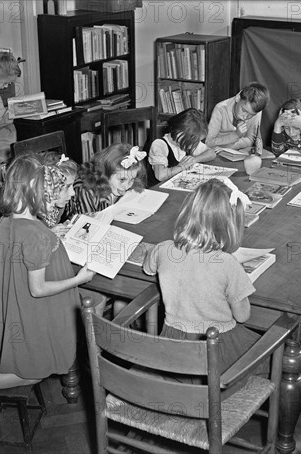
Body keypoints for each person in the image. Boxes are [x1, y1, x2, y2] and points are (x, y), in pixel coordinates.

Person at [0, 153, 105, 429]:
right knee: (31, 371)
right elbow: (37, 289)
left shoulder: (7, 221)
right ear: (38, 190)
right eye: (61, 188)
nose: (69, 194)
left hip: (17, 305)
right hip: (35, 309)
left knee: (22, 359)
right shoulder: (36, 234)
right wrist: (78, 279)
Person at [143, 178, 264, 375]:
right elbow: (243, 316)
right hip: (219, 351)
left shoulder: (163, 249)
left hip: (174, 348)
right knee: (270, 354)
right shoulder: (228, 264)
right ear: (230, 227)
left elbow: (148, 268)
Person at [63, 143, 147, 219]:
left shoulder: (117, 186)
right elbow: (86, 225)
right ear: (106, 173)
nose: (127, 186)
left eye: (132, 179)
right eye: (122, 180)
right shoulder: (85, 190)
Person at [148, 108, 216, 184]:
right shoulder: (159, 145)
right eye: (193, 141)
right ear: (180, 133)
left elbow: (211, 153)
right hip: (159, 190)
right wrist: (182, 166)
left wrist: (194, 160)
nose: (194, 145)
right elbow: (160, 175)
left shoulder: (186, 143)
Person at [206, 82, 270, 150]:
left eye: (251, 115)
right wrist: (235, 135)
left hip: (237, 153)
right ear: (238, 98)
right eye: (244, 110)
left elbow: (250, 140)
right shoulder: (220, 109)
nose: (245, 117)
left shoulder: (256, 112)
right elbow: (209, 142)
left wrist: (229, 146)